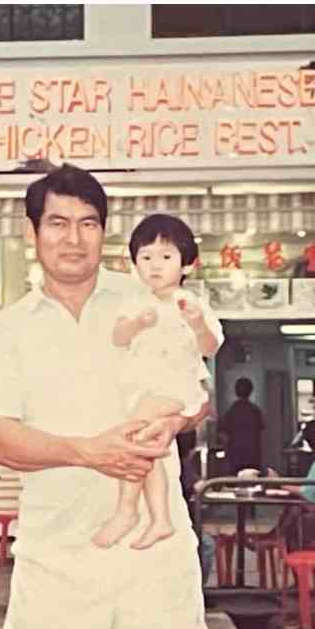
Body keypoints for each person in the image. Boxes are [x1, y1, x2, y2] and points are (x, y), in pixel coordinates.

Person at [0, 163, 210, 629]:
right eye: (58, 223)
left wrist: (176, 423)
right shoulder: (9, 329)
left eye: (88, 224)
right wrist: (87, 452)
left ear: (104, 232)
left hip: (153, 563)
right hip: (54, 562)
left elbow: (197, 396)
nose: (73, 239)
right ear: (32, 232)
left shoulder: (148, 302)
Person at [95, 213, 222, 550]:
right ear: (134, 262)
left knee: (136, 435)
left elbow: (211, 347)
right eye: (146, 257)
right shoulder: (135, 302)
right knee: (149, 447)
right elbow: (119, 337)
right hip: (144, 389)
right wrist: (136, 324)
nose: (155, 265)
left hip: (177, 389)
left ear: (187, 264)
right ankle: (160, 518)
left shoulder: (193, 303)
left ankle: (126, 510)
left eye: (166, 257)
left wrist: (197, 324)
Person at [220, 378, 267, 475]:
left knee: (235, 484)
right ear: (251, 391)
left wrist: (228, 450)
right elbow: (262, 435)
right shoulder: (255, 411)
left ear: (236, 391)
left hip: (235, 455)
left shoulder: (231, 411)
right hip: (253, 455)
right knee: (253, 483)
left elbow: (223, 434)